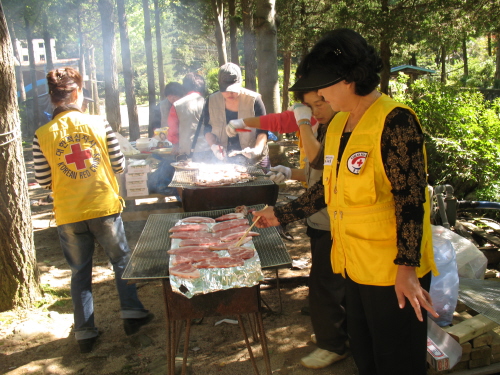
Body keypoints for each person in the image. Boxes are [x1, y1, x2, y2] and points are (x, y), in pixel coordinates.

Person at [252, 29, 439, 375]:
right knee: (366, 358)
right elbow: (326, 189)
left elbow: (412, 201)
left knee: (397, 362)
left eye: (324, 85)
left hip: (393, 272)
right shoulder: (337, 125)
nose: (319, 94)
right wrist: (279, 215)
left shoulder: (396, 121)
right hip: (353, 265)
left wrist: (408, 269)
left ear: (350, 79)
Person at [33, 67, 154, 354]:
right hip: (103, 206)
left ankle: (85, 333)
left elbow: (43, 179)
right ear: (77, 93)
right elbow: (120, 165)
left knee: (79, 272)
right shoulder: (99, 124)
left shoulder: (42, 134)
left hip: (69, 213)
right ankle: (132, 314)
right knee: (121, 260)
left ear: (52, 98)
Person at [227, 92, 349, 369]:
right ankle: (340, 334)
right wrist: (290, 171)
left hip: (333, 220)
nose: (313, 112)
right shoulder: (318, 122)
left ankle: (333, 344)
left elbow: (322, 169)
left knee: (324, 285)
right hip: (320, 219)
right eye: (308, 107)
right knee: (332, 282)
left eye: (319, 105)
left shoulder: (336, 127)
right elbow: (281, 126)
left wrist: (305, 123)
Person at [203, 62, 269, 166]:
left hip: (255, 159)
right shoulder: (211, 101)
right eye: (226, 89)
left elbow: (263, 130)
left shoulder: (254, 100)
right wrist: (213, 146)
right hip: (224, 157)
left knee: (263, 181)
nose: (230, 93)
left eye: (233, 89)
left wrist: (257, 149)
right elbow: (207, 128)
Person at [166, 72, 210, 159]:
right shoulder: (209, 102)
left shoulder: (177, 105)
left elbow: (172, 131)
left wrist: (175, 144)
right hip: (208, 150)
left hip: (186, 152)